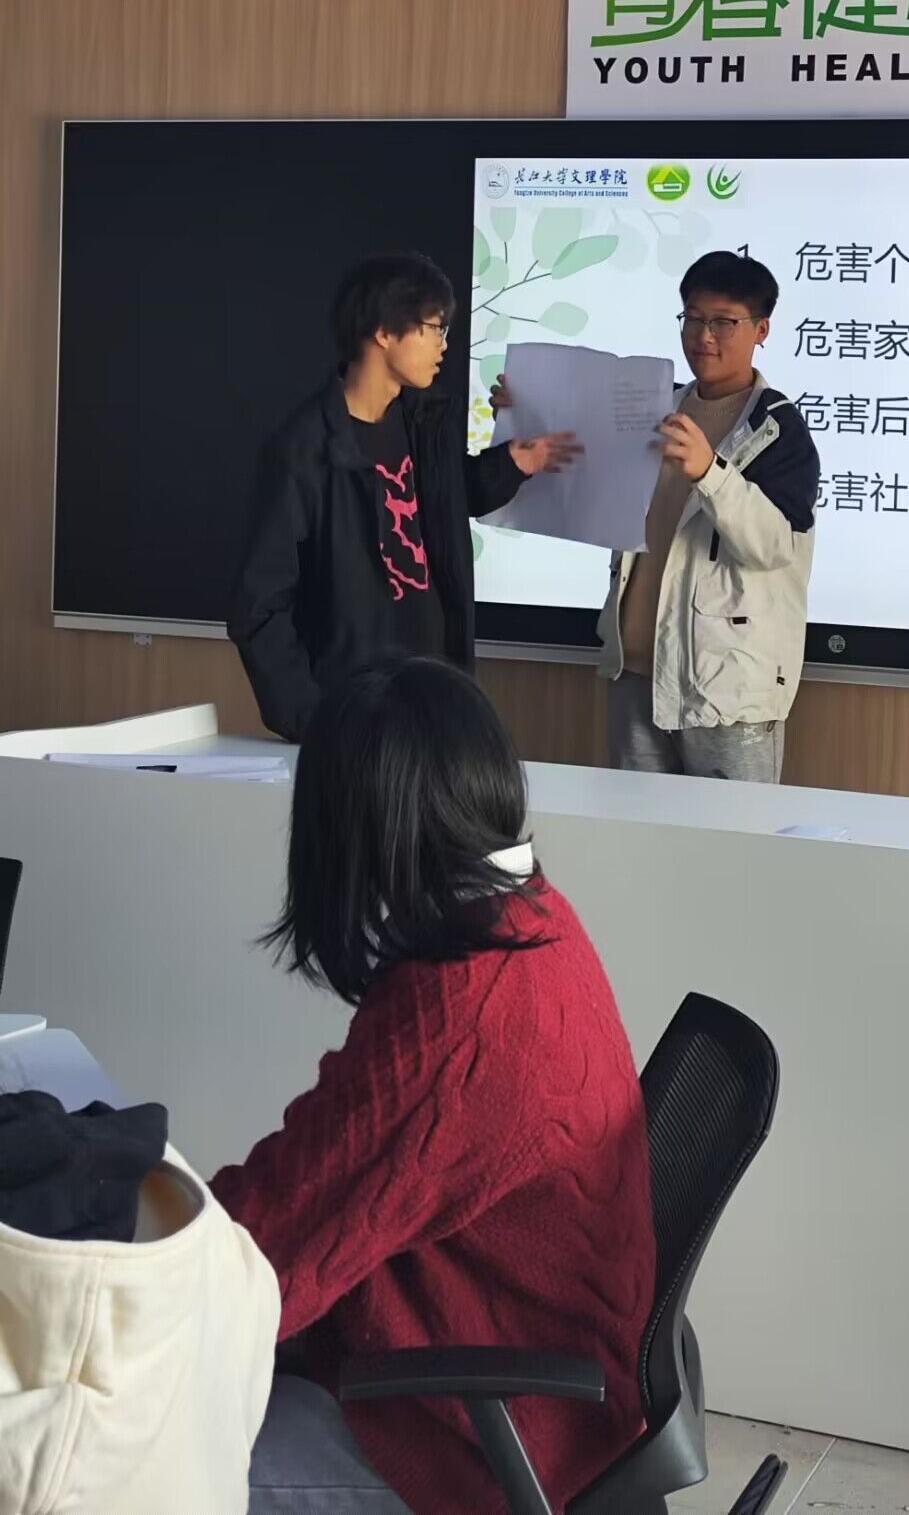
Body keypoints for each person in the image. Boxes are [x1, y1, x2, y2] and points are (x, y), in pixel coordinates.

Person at [214, 656, 656, 1515]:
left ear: (357, 827)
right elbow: (321, 1179)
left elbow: (266, 1261)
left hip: (484, 1440)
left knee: (109, 1457)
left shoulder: (463, 1009)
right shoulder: (532, 915)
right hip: (544, 1392)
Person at [228, 251, 578, 741]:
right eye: (434, 328)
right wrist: (311, 718)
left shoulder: (425, 421)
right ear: (384, 332)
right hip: (353, 704)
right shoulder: (303, 450)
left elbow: (450, 499)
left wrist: (515, 460)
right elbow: (259, 606)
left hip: (437, 688)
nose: (443, 346)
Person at [601, 251, 819, 783]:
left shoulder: (777, 430)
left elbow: (774, 546)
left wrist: (710, 472)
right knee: (634, 829)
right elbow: (592, 482)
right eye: (693, 318)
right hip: (635, 671)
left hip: (726, 691)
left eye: (724, 322)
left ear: (761, 329)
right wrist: (528, 411)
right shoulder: (655, 408)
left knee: (734, 835)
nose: (704, 336)